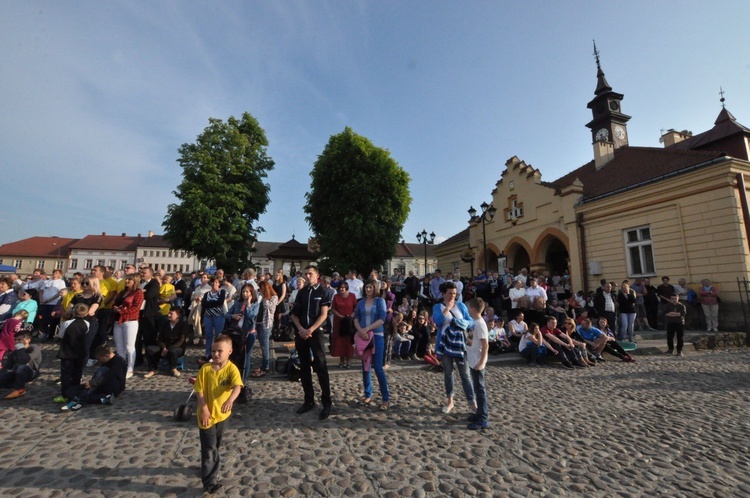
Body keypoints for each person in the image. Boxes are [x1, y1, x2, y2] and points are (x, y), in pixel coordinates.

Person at [195, 334, 243, 495]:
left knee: (215, 445)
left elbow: (237, 386)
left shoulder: (232, 369)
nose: (215, 354)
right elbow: (199, 391)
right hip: (206, 416)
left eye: (219, 351)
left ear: (229, 351)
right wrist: (204, 409)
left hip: (223, 416)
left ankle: (207, 466)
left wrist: (230, 400)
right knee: (209, 448)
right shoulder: (205, 369)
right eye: (213, 351)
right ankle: (209, 482)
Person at [290, 266, 333, 420]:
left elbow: (324, 314)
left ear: (317, 275)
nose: (308, 276)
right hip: (301, 334)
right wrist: (301, 329)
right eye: (306, 274)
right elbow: (294, 315)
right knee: (304, 367)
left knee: (321, 366)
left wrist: (311, 329)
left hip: (316, 333)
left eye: (311, 274)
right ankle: (309, 400)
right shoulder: (301, 292)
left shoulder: (323, 291)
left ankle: (326, 402)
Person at [433, 282, 475, 416]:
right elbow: (438, 322)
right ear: (444, 293)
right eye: (450, 293)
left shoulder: (461, 306)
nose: (453, 296)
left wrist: (462, 323)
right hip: (445, 345)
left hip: (460, 344)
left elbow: (471, 321)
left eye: (455, 293)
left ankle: (472, 402)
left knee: (465, 374)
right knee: (448, 373)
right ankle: (450, 400)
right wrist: (447, 309)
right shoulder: (438, 306)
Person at [354, 279, 390, 409]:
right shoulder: (361, 302)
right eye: (366, 287)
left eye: (370, 287)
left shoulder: (380, 301)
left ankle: (385, 398)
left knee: (378, 368)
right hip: (363, 337)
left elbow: (381, 319)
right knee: (365, 367)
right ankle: (368, 394)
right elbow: (356, 318)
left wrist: (367, 329)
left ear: (375, 288)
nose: (368, 289)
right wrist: (360, 330)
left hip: (377, 337)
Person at [61, 345, 127, 411]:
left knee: (102, 370)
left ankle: (81, 400)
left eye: (100, 359)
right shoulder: (106, 361)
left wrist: (93, 383)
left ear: (106, 356)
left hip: (113, 386)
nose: (99, 361)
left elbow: (110, 376)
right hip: (100, 384)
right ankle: (101, 399)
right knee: (69, 392)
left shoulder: (118, 361)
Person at [56, 304, 90, 403]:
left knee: (66, 374)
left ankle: (65, 394)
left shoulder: (67, 323)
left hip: (67, 351)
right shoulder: (86, 323)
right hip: (80, 351)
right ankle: (75, 391)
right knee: (77, 372)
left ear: (73, 312)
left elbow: (61, 335)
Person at [112, 274, 144, 379]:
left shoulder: (138, 292)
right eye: (126, 279)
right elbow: (115, 303)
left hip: (130, 320)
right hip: (118, 320)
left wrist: (122, 310)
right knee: (119, 347)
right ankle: (121, 367)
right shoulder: (122, 292)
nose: (127, 281)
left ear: (135, 281)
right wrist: (116, 308)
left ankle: (130, 368)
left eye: (129, 280)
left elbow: (136, 308)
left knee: (129, 346)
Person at [465, 298, 489, 430]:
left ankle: (483, 418)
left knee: (480, 390)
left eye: (469, 308)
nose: (468, 310)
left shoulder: (480, 324)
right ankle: (479, 413)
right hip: (472, 359)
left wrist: (481, 362)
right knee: (476, 388)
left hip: (477, 362)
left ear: (473, 309)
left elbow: (485, 344)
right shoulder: (474, 322)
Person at [144, 306, 188, 378]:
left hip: (177, 347)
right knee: (150, 349)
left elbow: (181, 341)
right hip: (165, 347)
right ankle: (153, 369)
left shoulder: (183, 325)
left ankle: (173, 368)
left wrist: (169, 349)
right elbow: (160, 339)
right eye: (168, 313)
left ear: (178, 315)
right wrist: (164, 347)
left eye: (171, 314)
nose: (169, 315)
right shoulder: (165, 324)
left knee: (173, 351)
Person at [0, 330, 42, 399]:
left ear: (28, 340)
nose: (16, 342)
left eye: (19, 340)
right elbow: (7, 367)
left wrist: (20, 348)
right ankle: (14, 384)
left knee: (21, 367)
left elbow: (24, 360)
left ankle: (19, 389)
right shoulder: (14, 352)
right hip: (16, 373)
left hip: (31, 372)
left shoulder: (34, 348)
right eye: (15, 340)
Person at [253, 280, 279, 376]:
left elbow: (269, 307)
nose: (259, 290)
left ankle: (266, 366)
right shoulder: (260, 297)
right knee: (261, 344)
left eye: (261, 288)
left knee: (265, 345)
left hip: (266, 323)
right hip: (258, 322)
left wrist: (264, 298)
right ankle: (264, 364)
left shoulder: (273, 297)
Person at [330, 281, 357, 368]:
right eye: (340, 287)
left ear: (346, 288)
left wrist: (351, 316)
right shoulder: (336, 296)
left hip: (349, 321)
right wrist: (340, 316)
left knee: (349, 341)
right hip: (339, 321)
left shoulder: (352, 296)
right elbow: (333, 309)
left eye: (343, 287)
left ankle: (349, 361)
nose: (341, 289)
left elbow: (356, 308)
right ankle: (341, 361)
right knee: (339, 341)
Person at [201, 276, 227, 362]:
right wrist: (213, 303)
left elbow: (220, 302)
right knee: (209, 336)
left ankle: (219, 353)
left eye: (216, 282)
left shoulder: (221, 292)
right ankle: (208, 353)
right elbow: (204, 304)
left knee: (218, 335)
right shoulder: (207, 294)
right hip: (208, 316)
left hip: (218, 316)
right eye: (213, 282)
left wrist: (210, 303)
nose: (214, 284)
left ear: (219, 283)